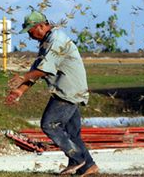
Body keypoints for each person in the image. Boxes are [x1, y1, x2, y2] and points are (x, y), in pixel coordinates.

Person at [5, 10, 99, 176]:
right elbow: (37, 70)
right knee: (71, 132)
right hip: (71, 89)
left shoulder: (56, 40)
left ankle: (77, 159)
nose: (29, 35)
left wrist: (22, 78)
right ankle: (88, 166)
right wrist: (19, 91)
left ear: (40, 26)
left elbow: (45, 70)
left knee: (50, 124)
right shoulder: (48, 42)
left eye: (30, 31)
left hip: (68, 91)